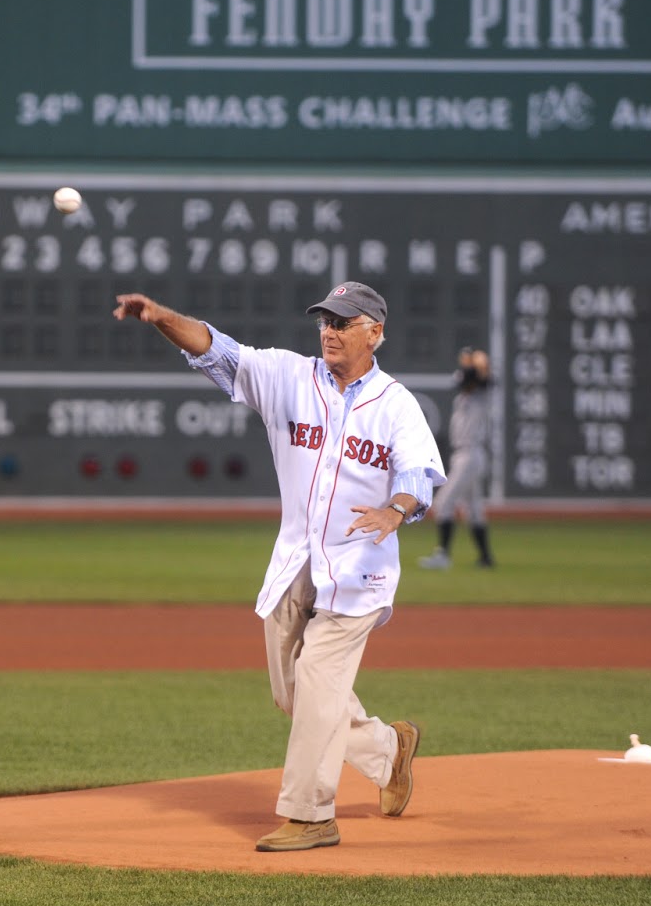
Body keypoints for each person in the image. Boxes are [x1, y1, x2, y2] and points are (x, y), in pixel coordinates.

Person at [113, 281, 446, 853]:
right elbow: (216, 350)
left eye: (343, 322)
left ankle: (312, 815)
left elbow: (419, 475)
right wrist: (160, 316)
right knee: (294, 693)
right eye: (325, 321)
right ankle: (387, 750)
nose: (330, 331)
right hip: (297, 560)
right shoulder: (289, 377)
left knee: (318, 679)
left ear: (376, 333)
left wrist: (396, 509)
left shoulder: (396, 404)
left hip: (360, 571)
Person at [418, 347, 495, 570]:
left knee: (443, 503)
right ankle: (486, 558)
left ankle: (442, 555)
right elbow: (468, 378)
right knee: (473, 509)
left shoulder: (483, 395)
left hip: (471, 454)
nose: (462, 385)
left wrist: (473, 361)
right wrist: (467, 364)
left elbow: (485, 377)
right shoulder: (464, 397)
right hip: (464, 454)